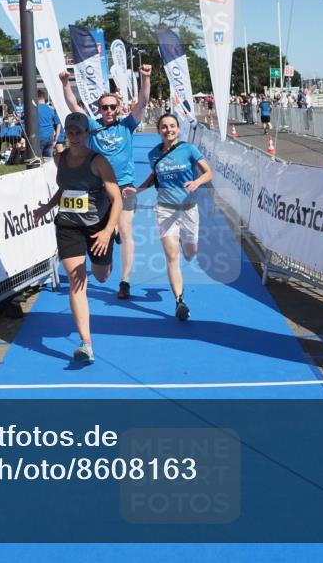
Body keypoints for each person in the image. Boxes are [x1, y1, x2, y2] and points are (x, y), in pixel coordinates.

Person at [33, 112, 122, 363]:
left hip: (98, 226)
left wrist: (107, 231)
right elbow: (66, 188)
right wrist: (47, 207)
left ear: (86, 134)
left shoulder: (98, 161)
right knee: (77, 281)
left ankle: (112, 241)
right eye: (70, 133)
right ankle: (86, 343)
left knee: (102, 275)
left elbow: (117, 199)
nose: (74, 137)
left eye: (78, 132)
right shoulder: (59, 158)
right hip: (68, 225)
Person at [59, 64, 152, 299]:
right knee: (102, 272)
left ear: (118, 108)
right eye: (104, 107)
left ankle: (126, 281)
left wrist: (145, 77)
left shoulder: (126, 125)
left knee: (125, 228)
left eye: (112, 107)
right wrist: (65, 84)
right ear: (99, 110)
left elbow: (142, 102)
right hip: (97, 189)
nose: (109, 111)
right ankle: (108, 246)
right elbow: (73, 106)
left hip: (124, 187)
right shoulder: (92, 126)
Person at [134, 113, 212, 321]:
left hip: (188, 209)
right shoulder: (153, 154)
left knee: (190, 252)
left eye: (172, 126)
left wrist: (197, 183)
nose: (168, 130)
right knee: (172, 257)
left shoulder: (189, 149)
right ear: (159, 130)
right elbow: (154, 178)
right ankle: (179, 301)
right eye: (164, 127)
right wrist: (137, 191)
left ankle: (188, 248)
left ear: (178, 128)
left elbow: (208, 173)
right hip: (165, 209)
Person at [32, 90, 62, 160]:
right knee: (49, 160)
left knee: (37, 160)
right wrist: (56, 139)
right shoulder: (51, 109)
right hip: (50, 137)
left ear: (36, 98)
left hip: (39, 137)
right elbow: (58, 124)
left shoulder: (34, 109)